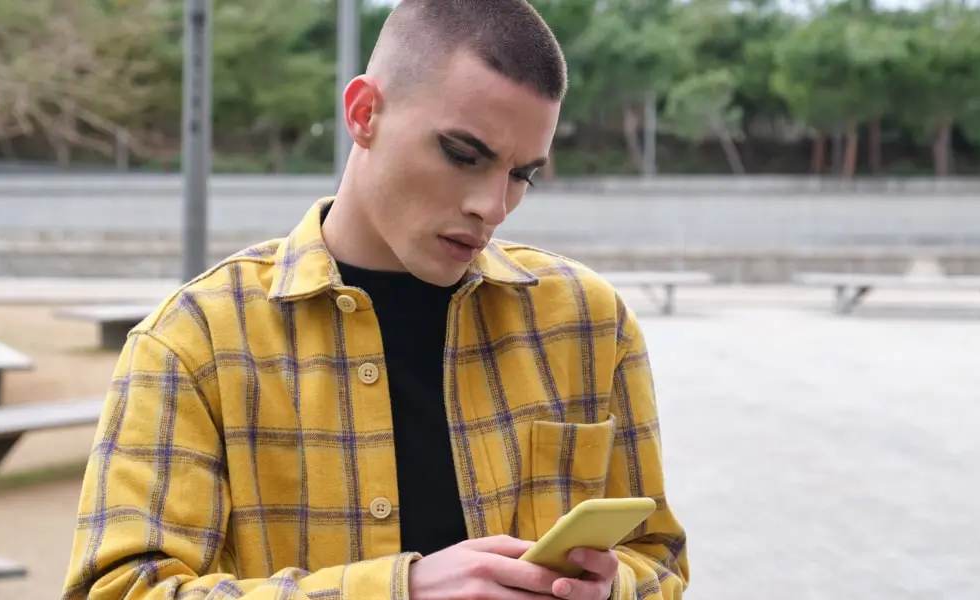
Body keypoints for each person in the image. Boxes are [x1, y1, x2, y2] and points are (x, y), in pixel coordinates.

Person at [61, 1, 689, 599]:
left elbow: (657, 560)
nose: (492, 206)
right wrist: (399, 589)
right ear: (363, 113)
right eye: (463, 154)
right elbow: (118, 588)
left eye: (522, 174)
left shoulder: (588, 322)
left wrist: (605, 586)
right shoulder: (196, 339)